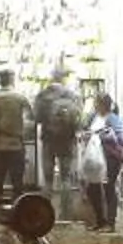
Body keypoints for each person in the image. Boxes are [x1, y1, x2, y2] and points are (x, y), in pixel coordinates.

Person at [33, 72, 82, 210]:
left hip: (48, 140)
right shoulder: (72, 96)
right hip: (67, 141)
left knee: (48, 180)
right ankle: (66, 212)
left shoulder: (43, 96)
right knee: (66, 178)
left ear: (51, 78)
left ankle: (45, 211)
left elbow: (36, 118)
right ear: (63, 79)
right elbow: (79, 120)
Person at [0, 69, 34, 205]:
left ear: (0, 80)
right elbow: (30, 120)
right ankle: (18, 211)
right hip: (16, 144)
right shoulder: (20, 97)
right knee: (17, 183)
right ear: (12, 80)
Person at [80, 91, 123, 230]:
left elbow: (120, 138)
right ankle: (100, 220)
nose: (95, 105)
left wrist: (102, 136)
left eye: (97, 103)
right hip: (95, 159)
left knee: (109, 188)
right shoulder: (94, 117)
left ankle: (110, 223)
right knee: (92, 188)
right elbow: (85, 127)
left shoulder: (113, 118)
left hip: (109, 158)